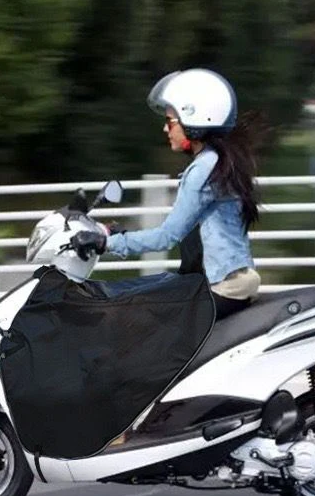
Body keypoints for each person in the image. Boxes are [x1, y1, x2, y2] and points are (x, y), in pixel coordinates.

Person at [71, 68, 263, 320]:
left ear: (194, 120)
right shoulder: (215, 163)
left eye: (171, 122)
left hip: (224, 288)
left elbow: (167, 237)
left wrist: (105, 243)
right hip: (229, 283)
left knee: (138, 316)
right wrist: (121, 235)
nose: (165, 128)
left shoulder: (203, 170)